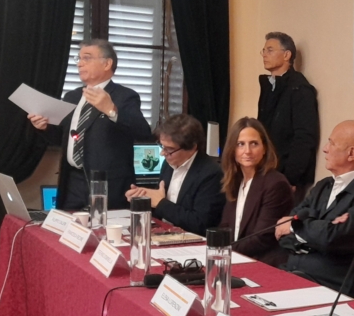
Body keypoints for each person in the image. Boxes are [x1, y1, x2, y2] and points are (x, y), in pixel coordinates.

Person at [275, 120, 354, 305]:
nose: (325, 149)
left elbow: (332, 237)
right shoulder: (323, 187)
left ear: (351, 153)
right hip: (296, 276)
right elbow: (283, 231)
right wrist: (315, 231)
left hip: (339, 292)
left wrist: (299, 228)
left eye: (331, 143)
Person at [28, 40, 151, 210]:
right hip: (72, 182)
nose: (80, 64)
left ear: (107, 64)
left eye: (86, 58)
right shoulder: (72, 96)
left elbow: (143, 132)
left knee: (102, 227)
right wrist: (44, 128)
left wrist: (111, 110)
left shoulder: (124, 96)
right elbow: (64, 139)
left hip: (107, 185)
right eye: (78, 59)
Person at [124, 114, 225, 236]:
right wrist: (143, 198)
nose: (162, 153)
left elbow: (200, 223)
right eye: (162, 146)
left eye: (169, 149)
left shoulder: (211, 174)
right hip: (163, 234)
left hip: (191, 241)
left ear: (192, 147)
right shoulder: (168, 164)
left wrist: (160, 203)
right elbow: (159, 210)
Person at [218, 118, 294, 264]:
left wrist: (224, 251)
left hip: (264, 262)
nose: (247, 151)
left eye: (254, 144)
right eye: (240, 144)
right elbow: (225, 227)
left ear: (264, 148)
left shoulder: (275, 184)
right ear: (232, 150)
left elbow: (262, 238)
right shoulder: (235, 180)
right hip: (236, 257)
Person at [257, 32, 319, 203]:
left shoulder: (300, 90)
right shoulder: (270, 86)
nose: (264, 55)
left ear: (287, 55)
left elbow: (304, 138)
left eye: (270, 50)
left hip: (286, 177)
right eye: (264, 50)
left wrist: (290, 178)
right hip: (265, 171)